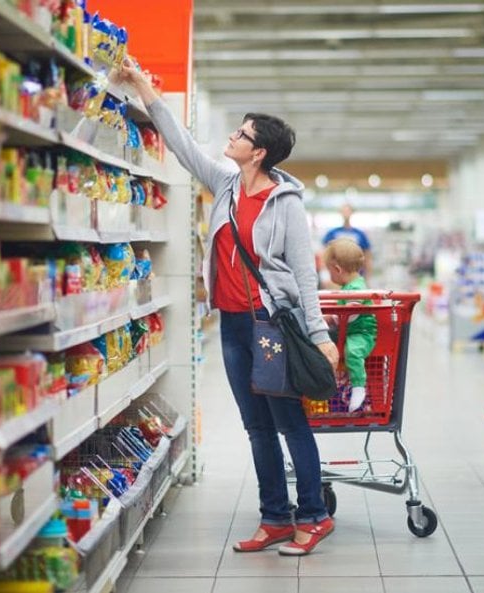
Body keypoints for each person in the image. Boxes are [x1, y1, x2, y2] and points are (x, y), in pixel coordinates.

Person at [117, 58, 339, 556]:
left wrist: (321, 335)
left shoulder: (286, 204)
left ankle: (314, 514)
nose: (232, 138)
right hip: (234, 325)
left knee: (288, 422)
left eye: (241, 134)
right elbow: (182, 146)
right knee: (256, 425)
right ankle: (275, 517)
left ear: (258, 152)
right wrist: (142, 90)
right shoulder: (225, 185)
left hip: (273, 325)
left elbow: (304, 275)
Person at [323, 239, 377, 413]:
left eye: (329, 271)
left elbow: (351, 314)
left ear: (338, 270)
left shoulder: (357, 288)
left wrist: (333, 318)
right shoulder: (349, 286)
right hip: (349, 331)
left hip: (362, 333)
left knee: (352, 351)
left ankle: (359, 388)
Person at [323, 204, 372, 277]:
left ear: (352, 212)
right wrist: (325, 275)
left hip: (357, 274)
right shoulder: (332, 233)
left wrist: (368, 275)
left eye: (348, 211)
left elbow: (367, 255)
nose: (346, 213)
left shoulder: (360, 234)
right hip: (337, 275)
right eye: (344, 211)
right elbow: (325, 254)